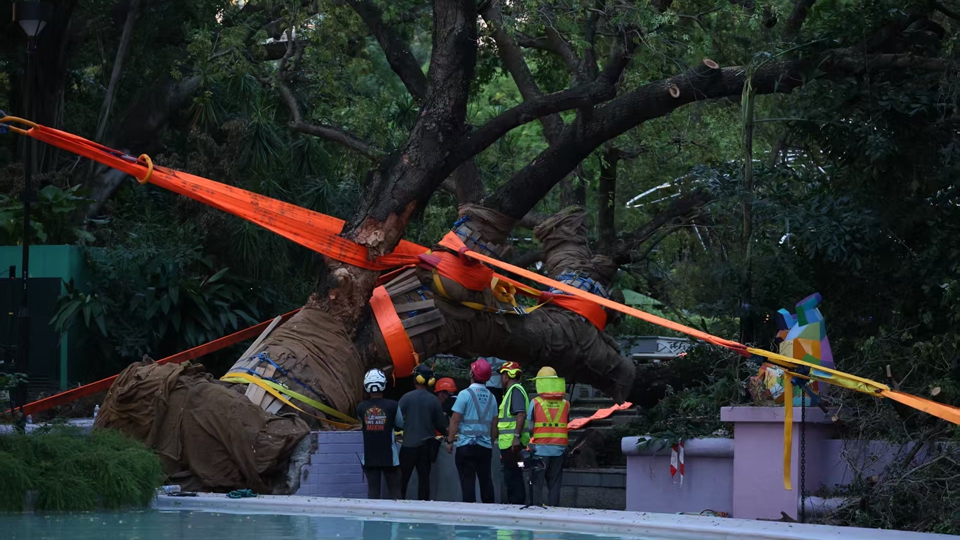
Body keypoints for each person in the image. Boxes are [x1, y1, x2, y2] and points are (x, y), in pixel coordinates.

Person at [445, 359, 497, 503]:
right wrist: (490, 443)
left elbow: (455, 420)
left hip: (466, 446)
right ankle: (490, 516)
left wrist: (450, 441)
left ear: (472, 373)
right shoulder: (492, 398)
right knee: (486, 482)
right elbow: (494, 425)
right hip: (484, 448)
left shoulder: (464, 394)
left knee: (467, 483)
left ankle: (468, 519)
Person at [398, 364, 448, 501]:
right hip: (426, 447)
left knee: (402, 480)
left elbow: (397, 421)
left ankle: (398, 505)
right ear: (430, 381)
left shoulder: (406, 398)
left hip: (408, 445)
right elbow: (441, 425)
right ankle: (424, 507)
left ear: (416, 379)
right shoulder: (434, 401)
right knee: (424, 480)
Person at [526, 366, 570, 507]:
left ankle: (537, 509)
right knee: (555, 483)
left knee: (538, 482)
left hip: (541, 449)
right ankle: (554, 509)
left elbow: (530, 427)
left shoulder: (535, 403)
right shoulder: (566, 404)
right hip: (559, 449)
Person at [356, 368, 403, 499]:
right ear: (383, 384)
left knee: (373, 493)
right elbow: (400, 423)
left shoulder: (361, 407)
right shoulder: (393, 405)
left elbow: (362, 423)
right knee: (395, 493)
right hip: (390, 458)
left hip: (370, 457)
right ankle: (397, 519)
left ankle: (371, 518)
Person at [492, 361, 530, 505]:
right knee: (516, 472)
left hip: (512, 445)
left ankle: (516, 504)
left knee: (512, 475)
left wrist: (515, 438)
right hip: (512, 444)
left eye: (502, 374)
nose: (501, 378)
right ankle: (518, 502)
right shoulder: (514, 391)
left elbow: (521, 415)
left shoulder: (515, 391)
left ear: (508, 375)